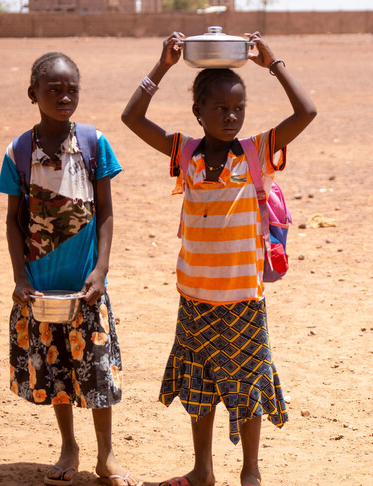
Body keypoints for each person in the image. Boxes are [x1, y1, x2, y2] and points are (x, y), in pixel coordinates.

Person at [121, 32, 316, 486]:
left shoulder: (255, 152)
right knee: (199, 385)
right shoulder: (184, 152)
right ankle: (202, 471)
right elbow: (131, 117)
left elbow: (306, 112)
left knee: (248, 384)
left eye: (238, 110)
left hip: (243, 295)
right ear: (198, 113)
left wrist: (274, 63)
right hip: (195, 294)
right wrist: (163, 66)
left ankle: (251, 472)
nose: (231, 117)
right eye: (221, 109)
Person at [0, 52, 142, 486]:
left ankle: (106, 455)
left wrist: (101, 270)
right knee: (56, 372)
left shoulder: (95, 144)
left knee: (96, 371)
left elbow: (107, 212)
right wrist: (21, 278)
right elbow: (12, 221)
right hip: (42, 287)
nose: (64, 96)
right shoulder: (19, 152)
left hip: (86, 287)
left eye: (71, 89)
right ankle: (68, 447)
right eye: (53, 89)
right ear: (33, 94)